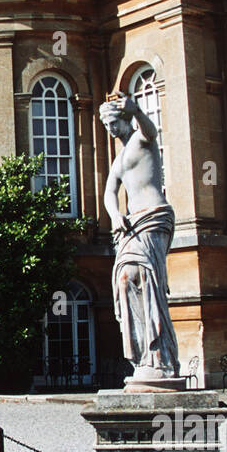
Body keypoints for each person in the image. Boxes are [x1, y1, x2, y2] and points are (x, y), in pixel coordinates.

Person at [100, 92, 179, 381]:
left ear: (124, 119)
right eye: (107, 125)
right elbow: (109, 192)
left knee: (146, 280)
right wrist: (115, 214)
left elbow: (151, 130)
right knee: (124, 281)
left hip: (152, 217)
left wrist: (137, 111)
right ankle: (143, 356)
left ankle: (160, 357)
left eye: (113, 123)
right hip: (131, 225)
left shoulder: (142, 140)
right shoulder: (119, 158)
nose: (111, 129)